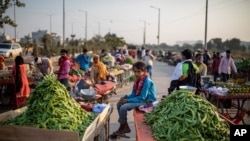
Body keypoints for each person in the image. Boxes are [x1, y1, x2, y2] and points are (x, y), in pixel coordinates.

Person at [110, 61, 157, 138]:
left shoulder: (147, 81)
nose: (136, 74)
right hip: (140, 99)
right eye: (135, 71)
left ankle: (122, 127)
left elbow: (142, 97)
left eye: (138, 72)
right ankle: (124, 127)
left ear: (144, 71)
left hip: (147, 102)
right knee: (119, 104)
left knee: (123, 107)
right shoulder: (137, 80)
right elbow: (133, 94)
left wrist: (128, 101)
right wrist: (125, 98)